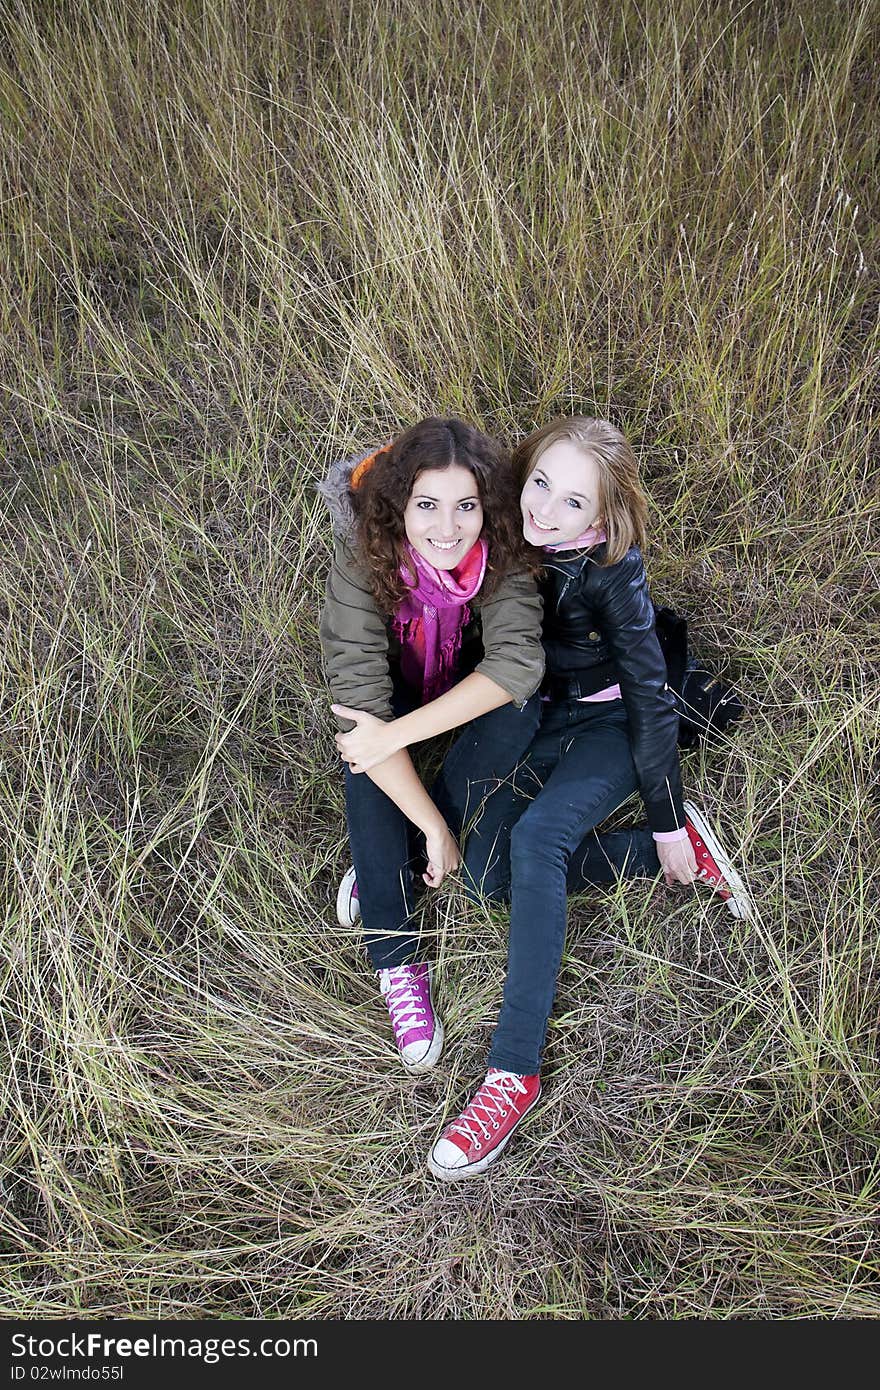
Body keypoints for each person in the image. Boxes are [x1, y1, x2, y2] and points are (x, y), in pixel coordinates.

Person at [421, 416, 754, 1180]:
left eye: (571, 503)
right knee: (486, 876)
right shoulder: (501, 531)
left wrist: (664, 813)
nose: (545, 509)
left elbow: (648, 696)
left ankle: (513, 1074)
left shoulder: (613, 572)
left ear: (600, 519)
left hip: (614, 724)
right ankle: (661, 856)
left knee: (540, 841)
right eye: (540, 482)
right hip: (546, 712)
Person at [318, 417, 544, 1074]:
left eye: (466, 506)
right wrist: (435, 825)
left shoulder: (501, 549)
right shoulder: (363, 558)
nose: (448, 528)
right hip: (391, 698)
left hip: (461, 693)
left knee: (521, 713)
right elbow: (362, 706)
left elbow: (516, 666)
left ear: (487, 506)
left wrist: (397, 740)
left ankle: (386, 858)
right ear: (399, 506)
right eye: (427, 506)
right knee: (363, 748)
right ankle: (395, 958)